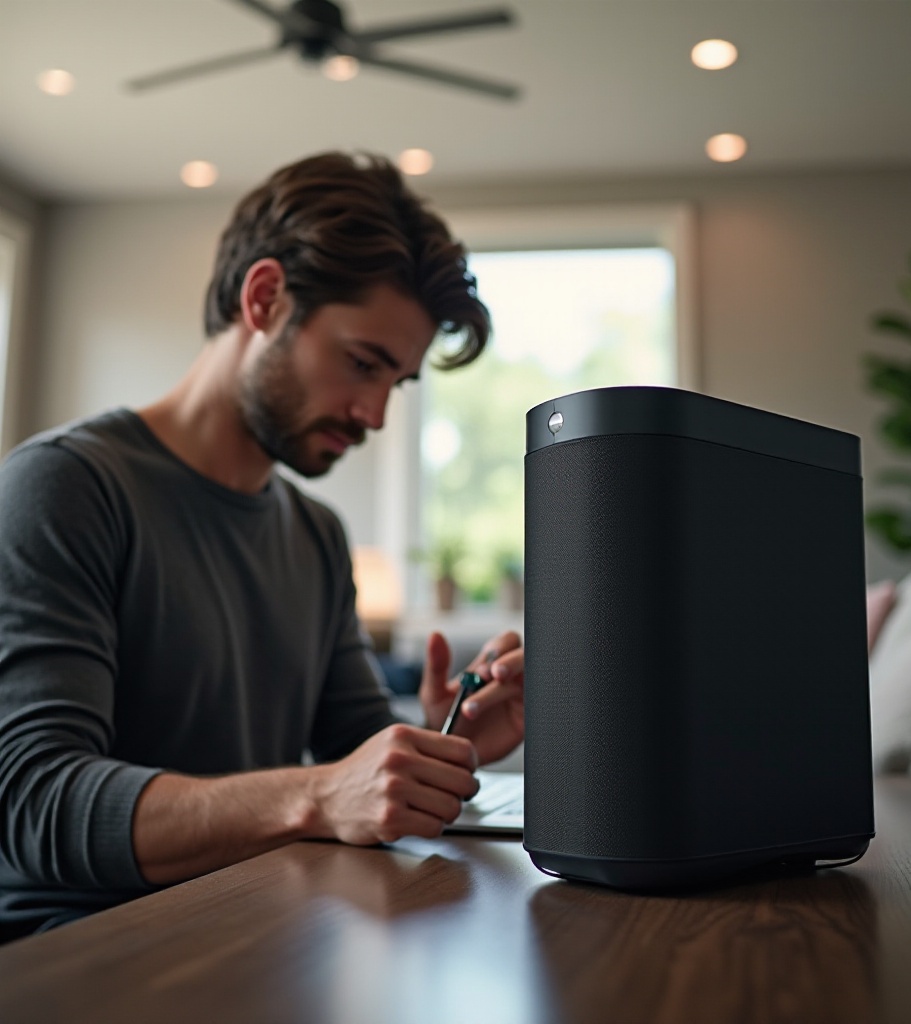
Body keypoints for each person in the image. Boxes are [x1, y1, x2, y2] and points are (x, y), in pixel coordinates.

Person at [0, 152, 524, 940]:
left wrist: (447, 745)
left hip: (261, 932)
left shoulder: (315, 535)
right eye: (362, 364)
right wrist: (313, 796)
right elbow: (35, 803)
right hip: (82, 952)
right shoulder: (66, 487)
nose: (376, 414)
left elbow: (351, 757)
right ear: (265, 297)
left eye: (397, 383)